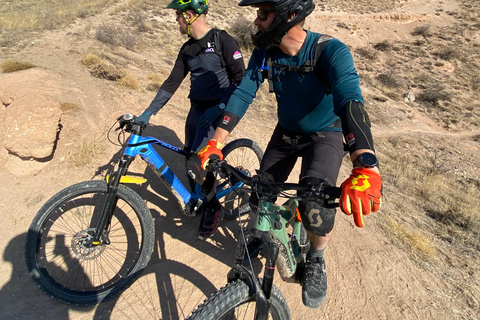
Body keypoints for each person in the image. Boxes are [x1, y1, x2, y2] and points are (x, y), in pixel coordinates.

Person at [197, 0, 383, 309]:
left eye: (263, 13)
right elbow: (244, 92)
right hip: (285, 132)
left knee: (316, 208)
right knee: (260, 195)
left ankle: (316, 258)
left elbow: (350, 100)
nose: (256, 22)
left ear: (290, 15)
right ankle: (261, 234)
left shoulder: (330, 50)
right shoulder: (266, 53)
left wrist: (365, 164)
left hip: (325, 134)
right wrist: (216, 141)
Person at [134, 0, 246, 240]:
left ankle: (213, 208)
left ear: (190, 15)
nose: (176, 20)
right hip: (196, 111)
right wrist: (148, 112)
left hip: (217, 112)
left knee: (198, 163)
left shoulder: (221, 40)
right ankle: (202, 192)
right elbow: (171, 83)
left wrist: (220, 107)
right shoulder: (187, 49)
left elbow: (241, 79)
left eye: (177, 15)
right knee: (189, 158)